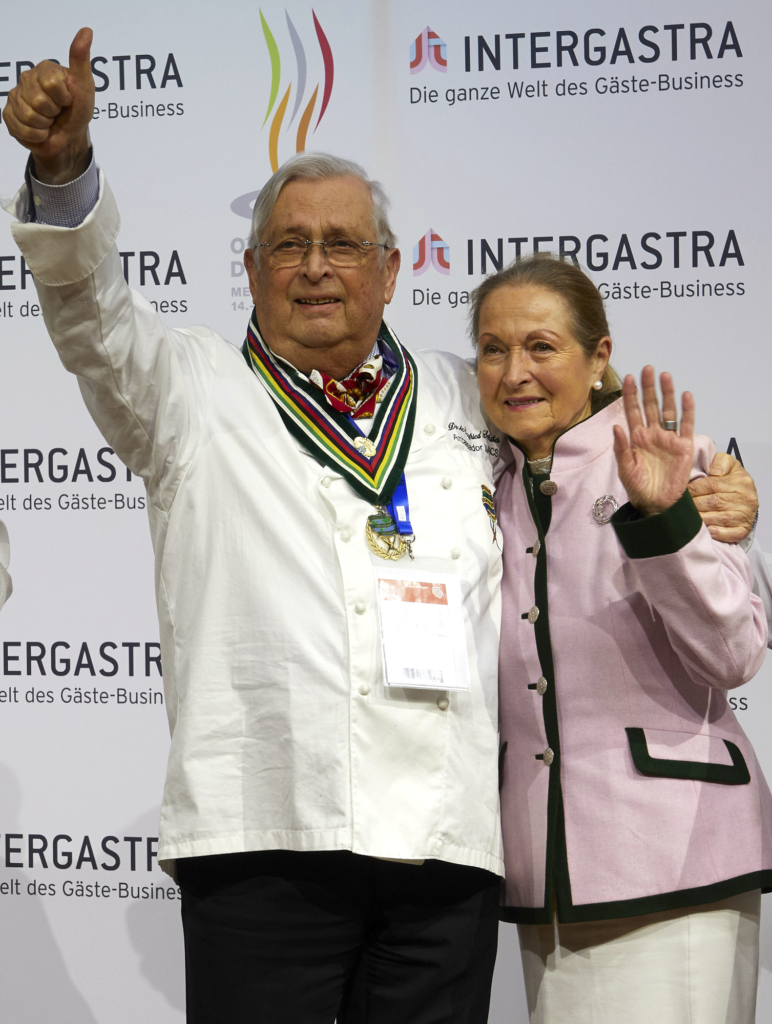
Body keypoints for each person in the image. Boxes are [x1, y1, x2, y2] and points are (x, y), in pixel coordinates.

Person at [1, 28, 760, 1023]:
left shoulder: (463, 393)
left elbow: (585, 443)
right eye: (290, 244)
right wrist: (63, 173)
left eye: (344, 244)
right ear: (253, 266)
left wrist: (708, 489)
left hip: (441, 847)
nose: (317, 267)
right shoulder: (182, 387)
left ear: (392, 269)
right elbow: (88, 308)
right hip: (260, 832)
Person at [474, 253, 770, 1024]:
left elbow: (734, 655)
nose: (516, 373)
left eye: (542, 346)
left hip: (678, 860)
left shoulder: (680, 461)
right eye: (493, 349)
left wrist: (665, 521)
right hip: (549, 879)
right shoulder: (486, 483)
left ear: (599, 355)